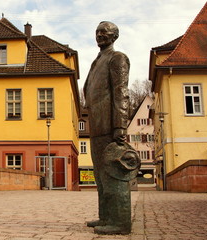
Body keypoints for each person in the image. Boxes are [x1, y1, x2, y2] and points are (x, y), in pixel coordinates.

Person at [83, 21, 140, 235]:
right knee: (100, 175)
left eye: (104, 32)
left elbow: (121, 92)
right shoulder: (97, 62)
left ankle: (120, 221)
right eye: (97, 31)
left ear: (114, 36)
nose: (99, 35)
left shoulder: (117, 58)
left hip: (109, 125)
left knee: (114, 173)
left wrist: (120, 125)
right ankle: (106, 216)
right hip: (97, 126)